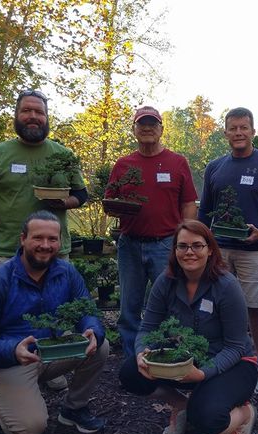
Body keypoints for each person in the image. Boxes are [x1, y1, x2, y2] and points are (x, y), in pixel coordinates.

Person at [0, 89, 86, 404]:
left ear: (47, 118)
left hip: (54, 250)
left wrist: (65, 200)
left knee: (54, 310)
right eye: (27, 111)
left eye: (39, 112)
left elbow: (82, 195)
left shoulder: (63, 154)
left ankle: (50, 364)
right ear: (16, 116)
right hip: (5, 250)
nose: (33, 117)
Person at [0, 211, 108, 434]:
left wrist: (93, 330)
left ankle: (73, 409)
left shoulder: (66, 272)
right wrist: (12, 350)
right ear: (23, 239)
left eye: (52, 239)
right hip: (5, 362)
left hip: (48, 352)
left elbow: (87, 311)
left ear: (60, 242)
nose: (45, 245)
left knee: (99, 345)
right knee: (29, 429)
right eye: (38, 238)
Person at [119, 220, 258, 434]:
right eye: (182, 246)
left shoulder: (226, 286)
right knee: (132, 374)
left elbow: (235, 346)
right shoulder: (166, 282)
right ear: (174, 250)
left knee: (206, 420)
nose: (189, 252)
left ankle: (244, 415)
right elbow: (147, 328)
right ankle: (181, 405)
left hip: (234, 363)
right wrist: (141, 353)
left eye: (197, 245)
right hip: (184, 359)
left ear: (210, 249)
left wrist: (203, 374)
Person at [198, 107, 258, 394]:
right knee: (213, 306)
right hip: (219, 249)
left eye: (244, 128)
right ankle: (219, 362)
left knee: (257, 308)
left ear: (253, 131)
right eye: (233, 128)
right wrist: (202, 243)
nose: (238, 133)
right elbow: (205, 211)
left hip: (255, 250)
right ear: (225, 132)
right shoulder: (215, 167)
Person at [106, 106, 198, 358]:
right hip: (130, 245)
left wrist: (185, 238)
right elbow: (110, 201)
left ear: (161, 129)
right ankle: (131, 361)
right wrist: (120, 206)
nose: (147, 128)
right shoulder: (124, 165)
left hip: (166, 244)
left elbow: (188, 203)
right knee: (129, 306)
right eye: (141, 123)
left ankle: (170, 357)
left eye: (152, 123)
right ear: (134, 129)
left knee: (171, 303)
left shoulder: (177, 162)